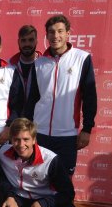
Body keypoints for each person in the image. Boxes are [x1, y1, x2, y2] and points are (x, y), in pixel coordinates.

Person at [24, 14, 97, 176]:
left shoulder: (82, 58)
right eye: (51, 32)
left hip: (67, 135)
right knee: (37, 178)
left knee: (64, 182)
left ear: (68, 33)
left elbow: (89, 96)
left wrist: (87, 129)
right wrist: (26, 129)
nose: (55, 36)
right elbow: (32, 100)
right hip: (39, 133)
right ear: (47, 35)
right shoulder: (39, 63)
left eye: (60, 31)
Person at [0, 118, 77, 207]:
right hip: (17, 198)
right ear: (11, 140)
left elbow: (68, 193)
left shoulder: (50, 159)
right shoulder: (0, 153)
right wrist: (9, 195)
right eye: (16, 140)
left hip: (44, 200)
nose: (21, 144)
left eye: (26, 139)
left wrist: (40, 204)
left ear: (34, 139)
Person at [9, 25, 42, 103]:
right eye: (23, 40)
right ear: (18, 42)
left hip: (38, 114)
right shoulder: (9, 66)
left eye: (31, 40)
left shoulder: (45, 66)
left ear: (36, 41)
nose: (27, 44)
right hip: (15, 115)